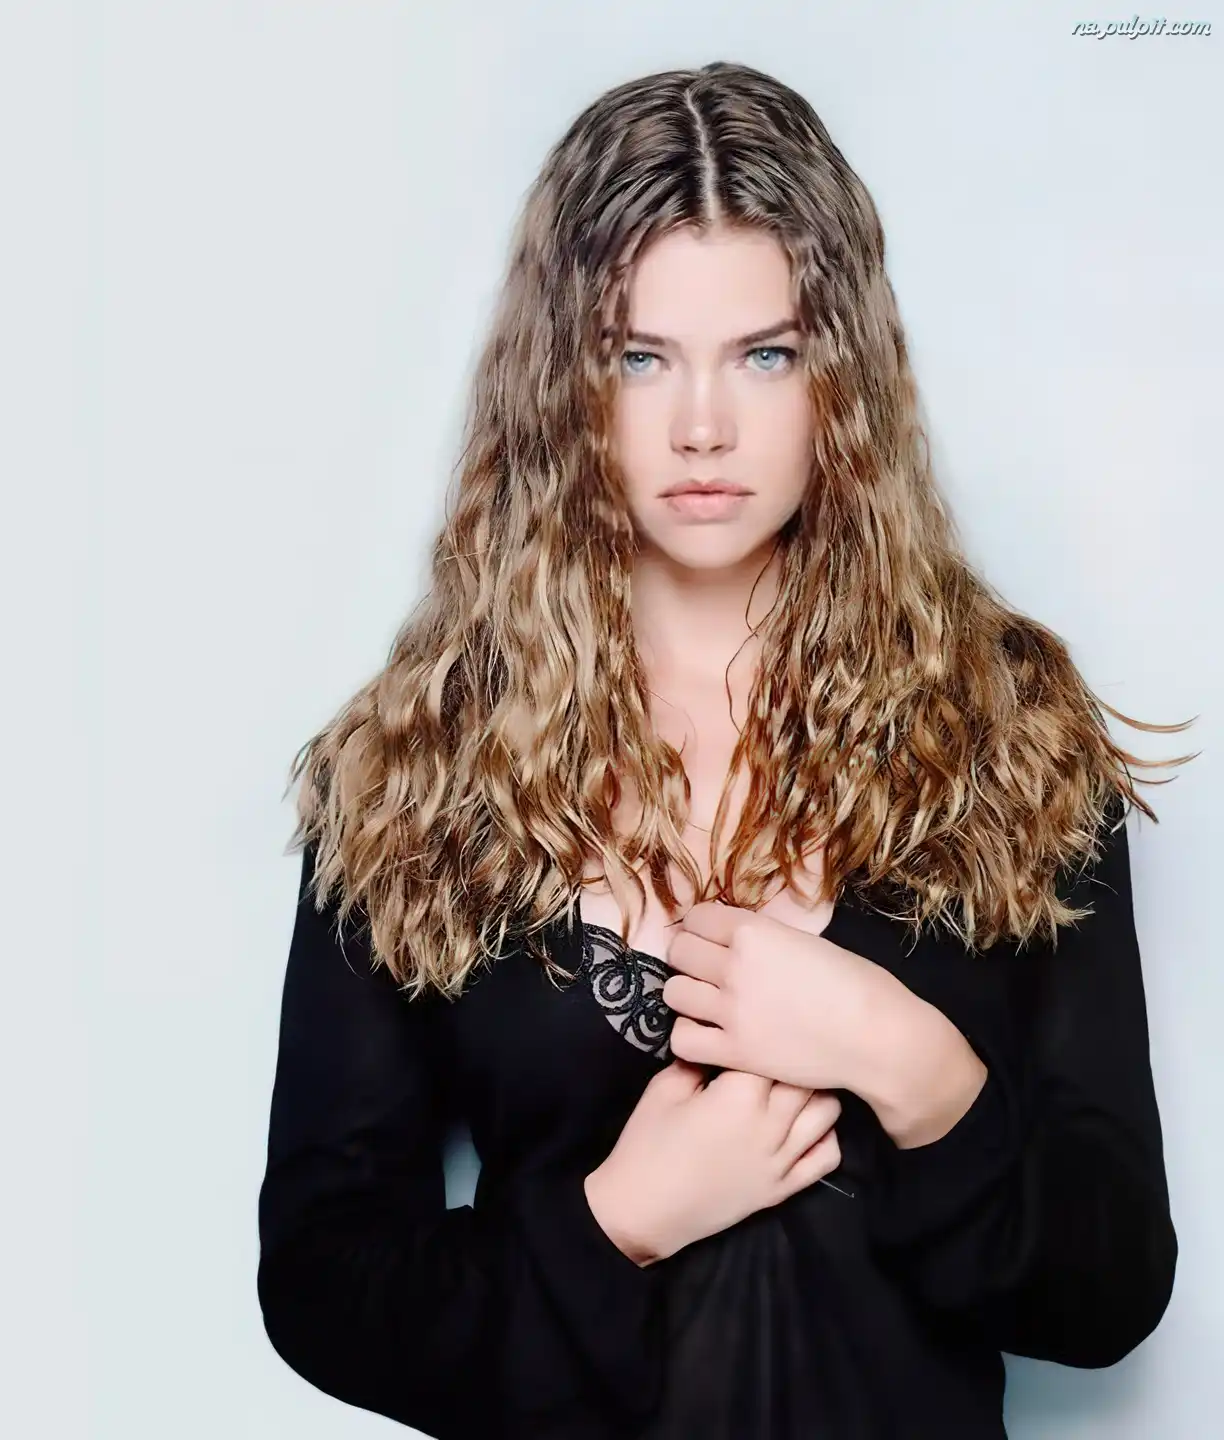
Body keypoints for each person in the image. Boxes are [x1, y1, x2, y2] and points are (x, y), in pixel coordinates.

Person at [254, 60, 1192, 1440]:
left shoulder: (1008, 735)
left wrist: (908, 1061)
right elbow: (324, 1285)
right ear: (563, 384)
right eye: (641, 358)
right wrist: (620, 1221)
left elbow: (1111, 1295)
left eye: (766, 354)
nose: (703, 425)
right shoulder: (420, 766)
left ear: (841, 377)